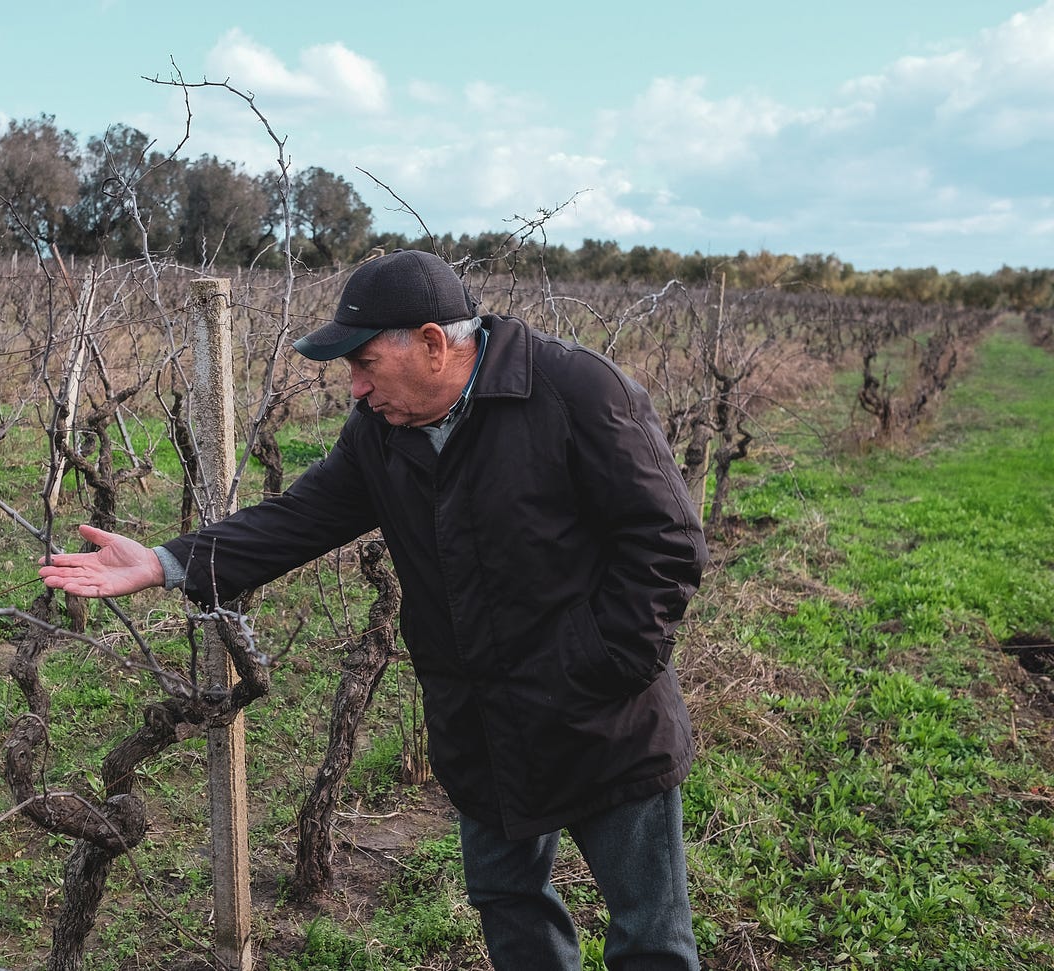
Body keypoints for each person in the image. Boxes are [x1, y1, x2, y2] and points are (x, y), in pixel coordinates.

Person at [39, 249, 708, 971]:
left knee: (649, 936)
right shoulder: (381, 429)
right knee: (510, 904)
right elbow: (303, 516)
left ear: (432, 343)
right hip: (482, 724)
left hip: (605, 721)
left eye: (365, 364)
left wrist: (601, 665)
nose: (355, 388)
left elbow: (667, 541)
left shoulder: (577, 391)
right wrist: (165, 562)